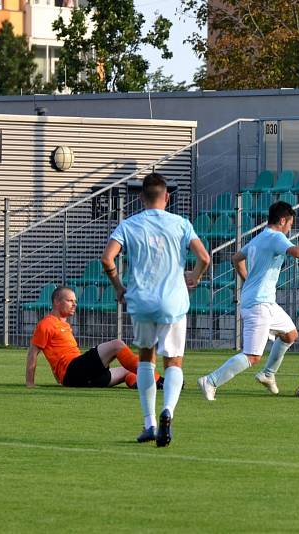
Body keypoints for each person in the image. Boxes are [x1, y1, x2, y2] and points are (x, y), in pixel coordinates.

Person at [101, 172, 209, 447]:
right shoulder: (181, 224)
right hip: (173, 301)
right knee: (173, 361)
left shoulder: (129, 224)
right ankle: (168, 411)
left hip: (142, 301)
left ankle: (149, 422)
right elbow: (204, 257)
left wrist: (117, 284)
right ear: (167, 197)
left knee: (146, 359)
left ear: (141, 198)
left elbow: (107, 258)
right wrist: (195, 276)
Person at [197, 201, 299, 400]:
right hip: (258, 304)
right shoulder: (275, 237)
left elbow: (236, 258)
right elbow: (297, 253)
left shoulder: (259, 238)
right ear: (282, 220)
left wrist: (248, 280)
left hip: (264, 302)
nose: (290, 229)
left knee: (290, 334)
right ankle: (211, 380)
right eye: (290, 224)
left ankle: (268, 374)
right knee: (252, 356)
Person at [25, 285, 158, 389]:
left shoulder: (63, 324)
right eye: (70, 300)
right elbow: (33, 352)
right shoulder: (46, 324)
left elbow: (55, 356)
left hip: (83, 376)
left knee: (127, 371)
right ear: (56, 302)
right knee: (117, 345)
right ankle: (159, 379)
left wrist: (59, 377)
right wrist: (30, 382)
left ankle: (150, 386)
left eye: (75, 301)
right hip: (73, 371)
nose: (74, 304)